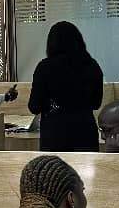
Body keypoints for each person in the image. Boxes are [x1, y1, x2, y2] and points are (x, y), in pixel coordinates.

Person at [28, 21, 103, 152]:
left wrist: (52, 104)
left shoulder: (44, 67)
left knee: (55, 166)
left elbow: (34, 106)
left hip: (55, 133)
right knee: (85, 166)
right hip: (85, 131)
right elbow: (96, 103)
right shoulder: (92, 65)